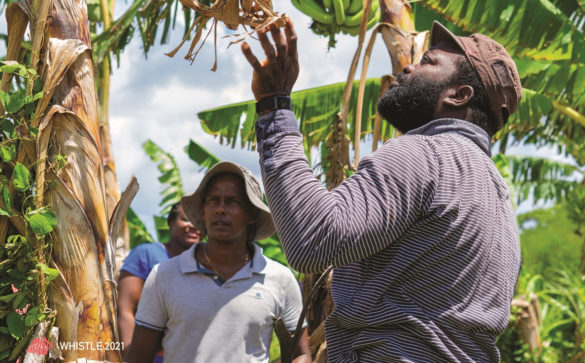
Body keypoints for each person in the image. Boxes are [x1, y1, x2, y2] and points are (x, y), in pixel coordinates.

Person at [241, 17, 522, 362]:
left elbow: (312, 240)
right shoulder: (499, 197)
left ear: (458, 95)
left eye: (428, 63)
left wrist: (273, 107)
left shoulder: (424, 153)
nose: (407, 66)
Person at [126, 162, 311, 363]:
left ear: (252, 214)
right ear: (203, 210)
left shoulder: (280, 279)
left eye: (232, 201)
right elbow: (138, 357)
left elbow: (300, 353)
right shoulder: (164, 275)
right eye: (213, 201)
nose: (220, 210)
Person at [117, 202, 201, 358]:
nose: (194, 226)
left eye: (199, 222)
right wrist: (130, 354)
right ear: (171, 222)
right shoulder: (147, 254)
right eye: (186, 220)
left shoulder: (204, 266)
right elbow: (126, 309)